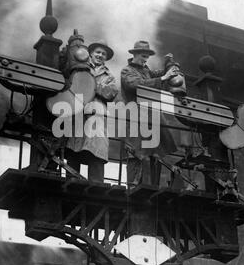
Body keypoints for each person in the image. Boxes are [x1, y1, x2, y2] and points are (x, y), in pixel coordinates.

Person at [121, 40, 180, 187]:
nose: (145, 59)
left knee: (156, 153)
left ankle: (153, 186)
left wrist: (168, 64)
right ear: (134, 54)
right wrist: (163, 78)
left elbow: (158, 75)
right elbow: (135, 85)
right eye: (142, 55)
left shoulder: (146, 71)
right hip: (135, 118)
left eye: (147, 56)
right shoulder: (127, 70)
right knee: (135, 153)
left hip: (151, 118)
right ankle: (134, 187)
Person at [66, 40, 118, 183]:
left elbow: (111, 93)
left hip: (98, 115)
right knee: (74, 147)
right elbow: (73, 84)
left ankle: (96, 184)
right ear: (91, 54)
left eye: (103, 54)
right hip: (78, 112)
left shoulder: (110, 76)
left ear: (106, 58)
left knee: (97, 150)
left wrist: (90, 85)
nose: (100, 55)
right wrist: (98, 86)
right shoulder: (80, 67)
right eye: (98, 52)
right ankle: (71, 181)